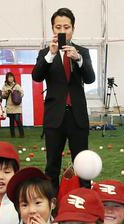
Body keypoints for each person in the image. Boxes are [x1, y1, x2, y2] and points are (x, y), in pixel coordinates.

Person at [32, 7, 96, 188]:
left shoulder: (82, 51)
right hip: (54, 117)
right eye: (58, 27)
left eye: (66, 27)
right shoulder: (45, 53)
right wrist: (51, 54)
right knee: (52, 165)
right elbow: (36, 76)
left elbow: (90, 78)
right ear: (52, 29)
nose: (62, 31)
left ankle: (85, 201)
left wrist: (78, 59)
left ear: (73, 29)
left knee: (83, 164)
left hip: (77, 116)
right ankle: (52, 204)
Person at [2, 72, 25, 137]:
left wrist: (15, 92)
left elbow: (22, 94)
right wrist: (7, 92)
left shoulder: (17, 85)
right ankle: (12, 135)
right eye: (9, 77)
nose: (11, 78)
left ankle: (22, 134)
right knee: (11, 121)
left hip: (17, 106)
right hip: (9, 106)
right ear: (7, 78)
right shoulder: (5, 86)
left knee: (18, 120)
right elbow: (3, 96)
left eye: (12, 77)